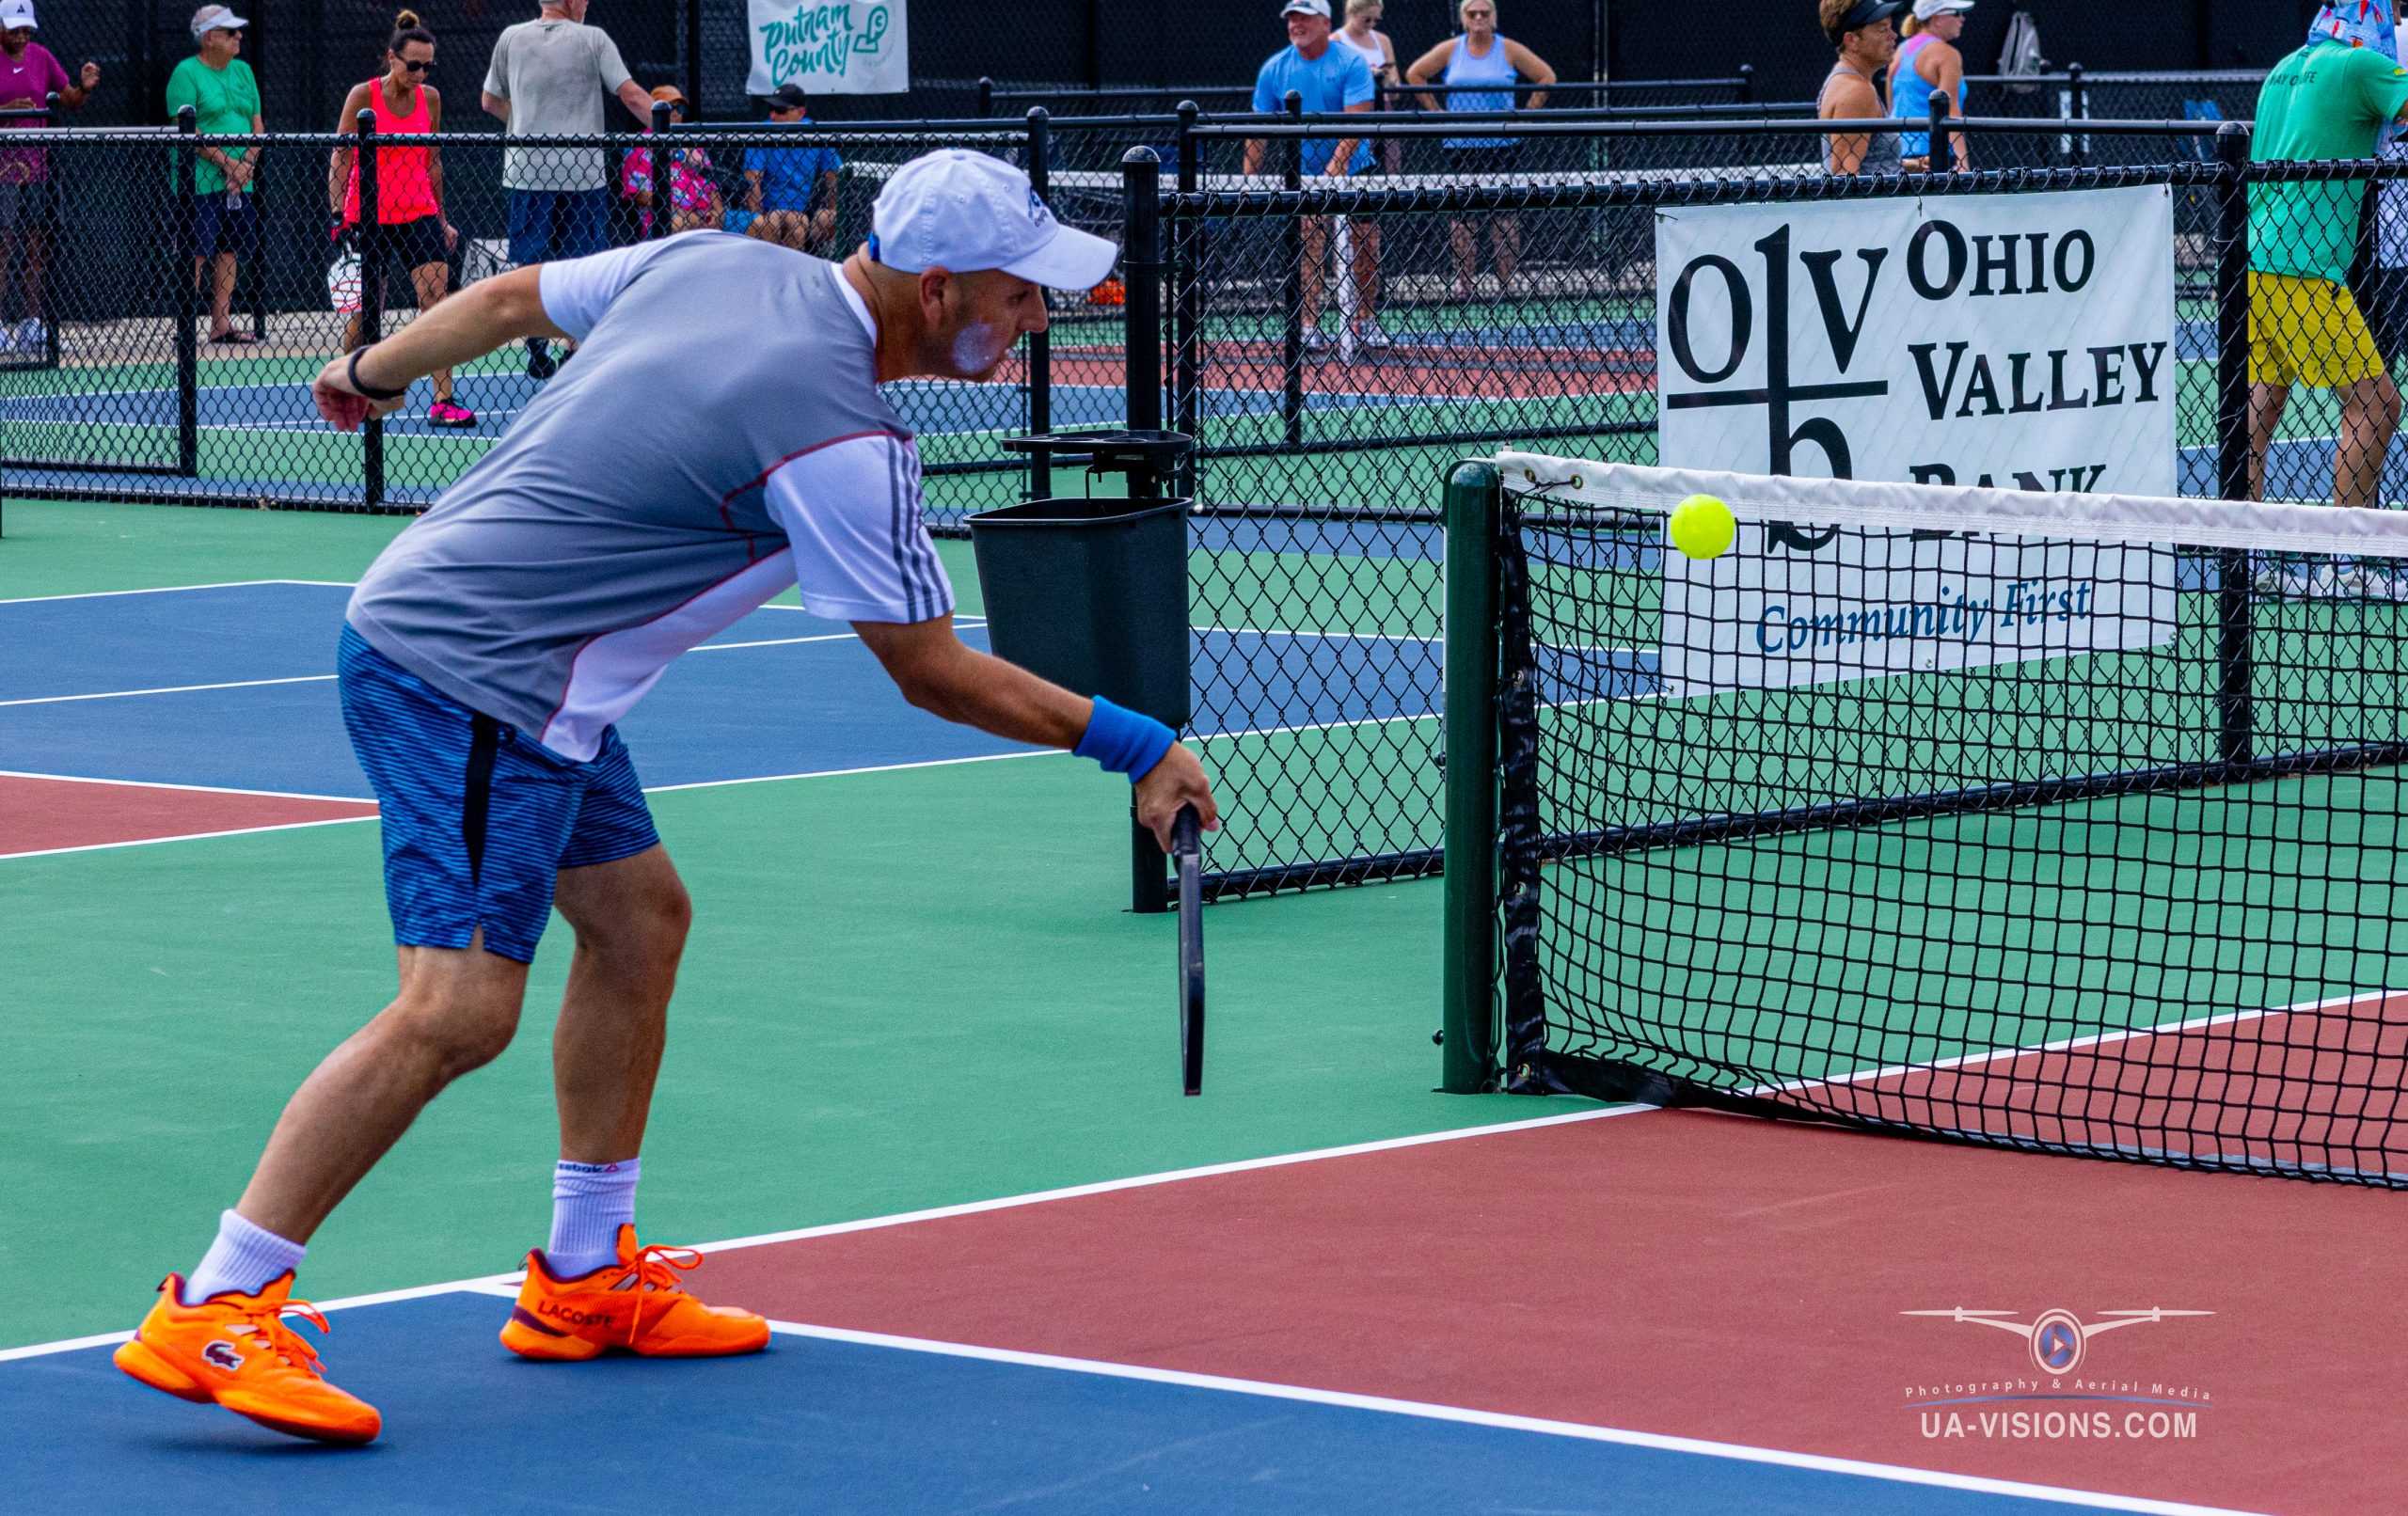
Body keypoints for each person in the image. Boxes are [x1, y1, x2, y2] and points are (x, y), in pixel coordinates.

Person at [109, 148, 1221, 1446]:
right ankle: (218, 1301)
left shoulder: (714, 260)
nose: (1037, 314)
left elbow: (510, 297)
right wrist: (1136, 744)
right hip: (472, 674)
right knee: (458, 1009)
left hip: (520, 672)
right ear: (936, 289)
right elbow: (929, 671)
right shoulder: (844, 440)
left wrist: (371, 370)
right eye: (1018, 291)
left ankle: (583, 1278)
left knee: (639, 923)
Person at [2246, 0, 2408, 557]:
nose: (2396, 20)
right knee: (2378, 406)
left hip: (2253, 259)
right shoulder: (2361, 66)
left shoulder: (2284, 67)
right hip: (2305, 266)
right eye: (2393, 9)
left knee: (2259, 408)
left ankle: (2241, 556)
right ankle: (2344, 559)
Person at [482, 0, 655, 378]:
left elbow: (490, 101)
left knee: (532, 263)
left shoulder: (511, 37)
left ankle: (536, 340)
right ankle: (573, 350)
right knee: (582, 265)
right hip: (582, 174)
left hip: (528, 172)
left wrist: (527, 121)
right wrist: (675, 128)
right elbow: (631, 95)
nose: (587, 3)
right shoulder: (593, 38)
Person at [331, 11, 474, 429]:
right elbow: (341, 155)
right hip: (368, 214)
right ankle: (344, 386)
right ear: (392, 58)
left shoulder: (430, 99)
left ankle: (443, 401)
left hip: (419, 211)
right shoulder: (363, 95)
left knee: (436, 299)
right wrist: (338, 214)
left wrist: (442, 219)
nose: (421, 74)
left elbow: (433, 162)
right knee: (367, 309)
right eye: (413, 65)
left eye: (428, 66)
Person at [1243, 0, 1383, 352]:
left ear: (1325, 23)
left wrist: (1335, 169)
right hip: (1303, 175)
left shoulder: (1351, 63)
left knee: (1366, 246)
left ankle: (1366, 320)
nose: (1296, 25)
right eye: (1291, 19)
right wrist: (1247, 182)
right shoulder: (1274, 68)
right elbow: (1258, 130)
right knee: (1309, 246)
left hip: (1357, 171)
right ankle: (1308, 326)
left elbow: (1356, 122)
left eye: (1304, 18)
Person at [1403, 0, 1554, 302]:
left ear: (1494, 16)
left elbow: (1546, 77)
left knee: (1504, 217)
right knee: (1463, 218)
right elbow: (1415, 74)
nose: (1479, 18)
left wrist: (1524, 117)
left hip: (1503, 145)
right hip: (1461, 146)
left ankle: (1507, 283)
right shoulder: (1452, 49)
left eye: (1485, 12)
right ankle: (1464, 284)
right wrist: (1438, 114)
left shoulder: (1508, 49)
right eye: (1472, 13)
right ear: (1464, 18)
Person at [0, 0, 97, 356]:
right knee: (3, 246)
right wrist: (5, 111)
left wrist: (84, 88)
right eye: (15, 29)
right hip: (2, 172)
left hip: (37, 168)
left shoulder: (41, 57)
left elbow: (69, 100)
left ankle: (32, 325)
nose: (22, 36)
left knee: (36, 246)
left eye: (27, 30)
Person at [166, 6, 263, 346]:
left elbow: (257, 124)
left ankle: (221, 325)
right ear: (209, 38)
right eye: (230, 32)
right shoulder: (185, 73)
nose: (239, 36)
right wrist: (228, 164)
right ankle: (185, 327)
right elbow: (187, 129)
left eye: (238, 31)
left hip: (240, 184)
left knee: (229, 250)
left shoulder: (244, 71)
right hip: (197, 183)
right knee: (195, 252)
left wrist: (246, 164)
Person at [737, 82, 841, 252]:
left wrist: (832, 208)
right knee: (788, 221)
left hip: (807, 213)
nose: (773, 116)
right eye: (771, 109)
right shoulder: (762, 133)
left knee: (829, 217)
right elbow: (752, 183)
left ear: (801, 112)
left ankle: (822, 256)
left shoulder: (816, 133)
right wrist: (761, 222)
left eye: (780, 110)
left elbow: (834, 177)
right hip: (769, 213)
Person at [1816, 0, 1904, 177]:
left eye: (1890, 27)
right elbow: (1844, 173)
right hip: (1874, 196)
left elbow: (1867, 161)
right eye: (1882, 29)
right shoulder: (1857, 91)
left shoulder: (1846, 79)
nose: (1893, 35)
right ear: (1852, 41)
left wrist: (1912, 167)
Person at [620, 85, 720, 237]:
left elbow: (711, 185)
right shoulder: (639, 146)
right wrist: (685, 213)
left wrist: (718, 212)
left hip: (706, 214)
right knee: (678, 224)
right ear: (653, 109)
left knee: (760, 223)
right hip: (667, 216)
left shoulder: (692, 144)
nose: (675, 112)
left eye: (680, 108)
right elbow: (641, 195)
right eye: (669, 107)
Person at [1892, 0, 1971, 171]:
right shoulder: (1947, 54)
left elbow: (1892, 105)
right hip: (1934, 157)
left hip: (1897, 155)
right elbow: (1951, 111)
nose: (1962, 18)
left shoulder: (1900, 50)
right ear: (1937, 19)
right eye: (1956, 13)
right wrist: (1962, 162)